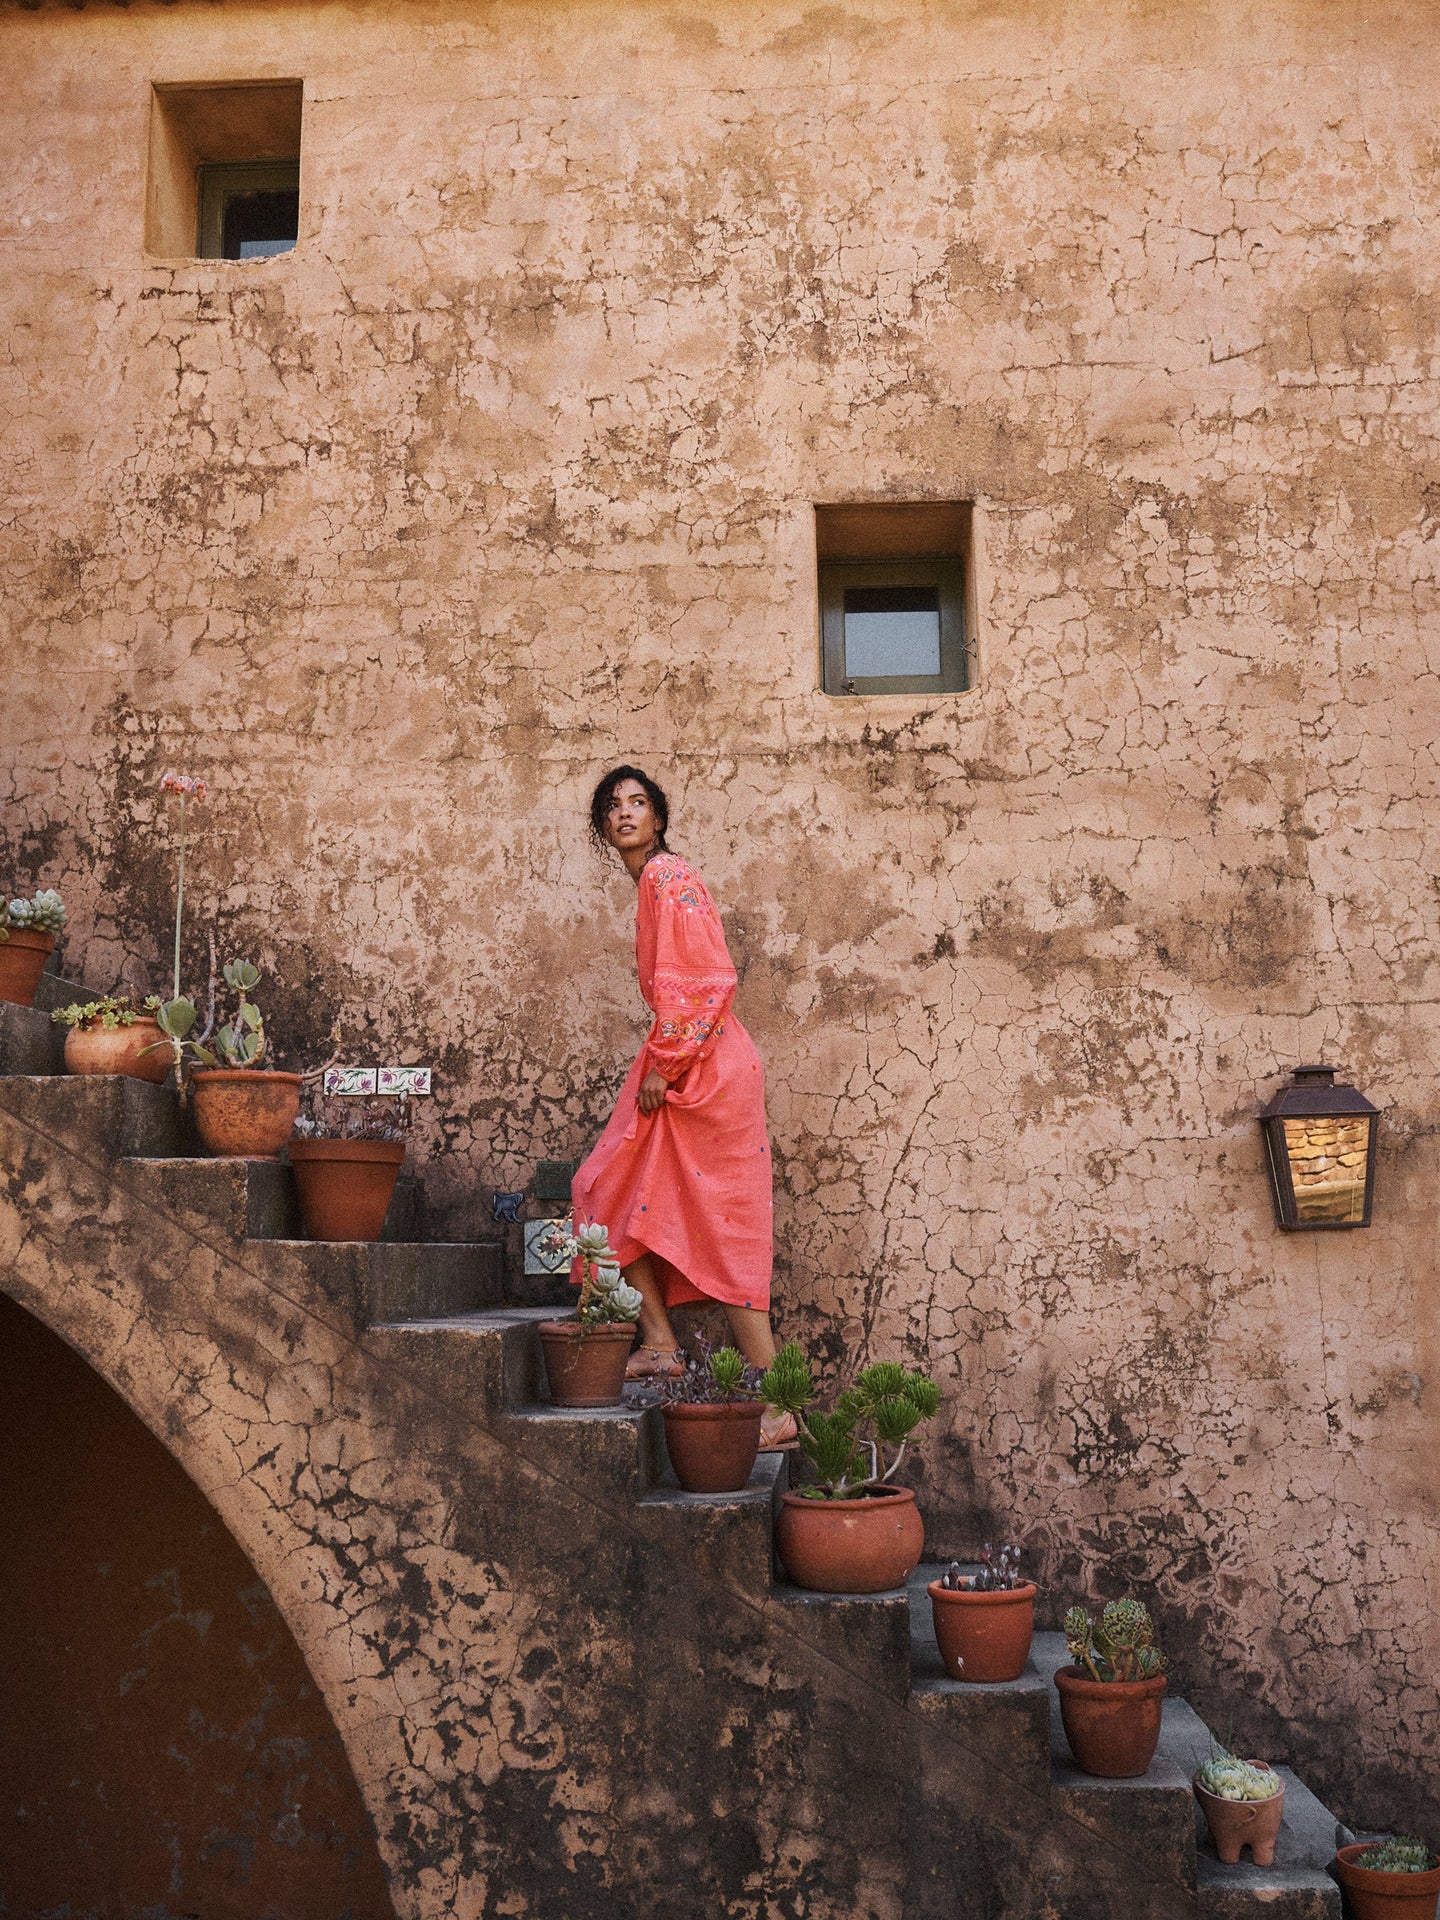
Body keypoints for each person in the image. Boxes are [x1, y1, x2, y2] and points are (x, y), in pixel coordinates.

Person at [571, 766, 796, 1448]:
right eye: (613, 806)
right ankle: (662, 1343)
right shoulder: (651, 885)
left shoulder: (670, 877)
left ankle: (781, 1409)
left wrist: (666, 1064)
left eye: (638, 803)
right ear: (604, 828)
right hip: (686, 1061)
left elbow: (707, 980)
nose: (625, 814)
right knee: (605, 1188)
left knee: (723, 1234)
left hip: (705, 1068)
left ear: (659, 819)